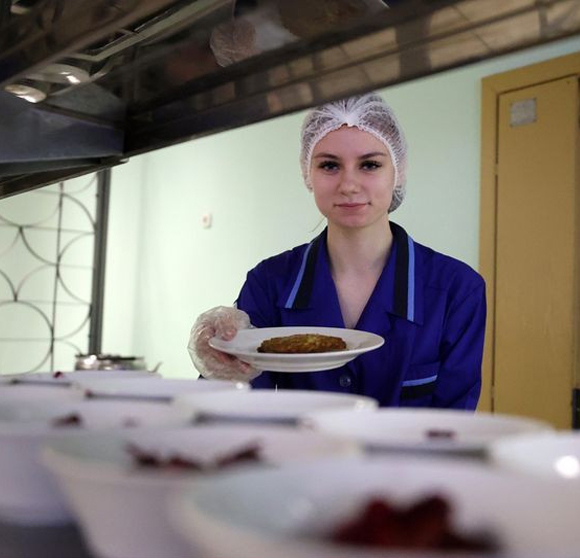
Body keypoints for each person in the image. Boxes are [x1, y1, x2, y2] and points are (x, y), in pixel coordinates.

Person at [188, 93, 486, 409]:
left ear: (397, 171)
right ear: (308, 173)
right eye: (330, 165)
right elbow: (235, 407)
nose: (349, 185)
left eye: (370, 164)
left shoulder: (457, 290)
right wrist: (220, 363)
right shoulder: (269, 283)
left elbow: (454, 422)